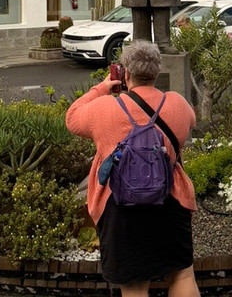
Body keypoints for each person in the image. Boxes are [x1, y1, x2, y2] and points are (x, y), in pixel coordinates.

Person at [65, 41, 199, 297]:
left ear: (125, 73)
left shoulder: (105, 109)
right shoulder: (177, 103)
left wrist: (103, 88)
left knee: (134, 286)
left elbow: (72, 118)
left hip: (120, 207)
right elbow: (191, 121)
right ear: (157, 72)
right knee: (182, 273)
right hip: (169, 200)